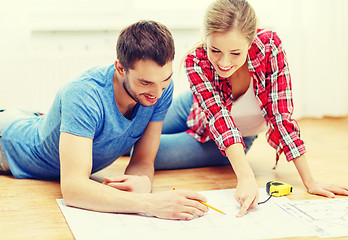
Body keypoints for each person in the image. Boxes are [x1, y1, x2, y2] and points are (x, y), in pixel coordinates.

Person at [154, 0, 348, 217]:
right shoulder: (196, 60)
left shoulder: (270, 48)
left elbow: (280, 117)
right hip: (192, 108)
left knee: (143, 150)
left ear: (251, 41)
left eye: (235, 53)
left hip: (222, 139)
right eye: (215, 50)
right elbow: (218, 116)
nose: (224, 62)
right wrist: (246, 177)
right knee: (132, 131)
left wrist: (310, 182)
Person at [0, 20, 208, 220]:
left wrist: (143, 182)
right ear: (120, 68)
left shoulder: (159, 90)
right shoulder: (83, 94)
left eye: (164, 80)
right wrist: (150, 203)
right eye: (145, 82)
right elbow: (73, 189)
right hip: (8, 144)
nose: (157, 94)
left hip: (33, 122)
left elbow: (143, 160)